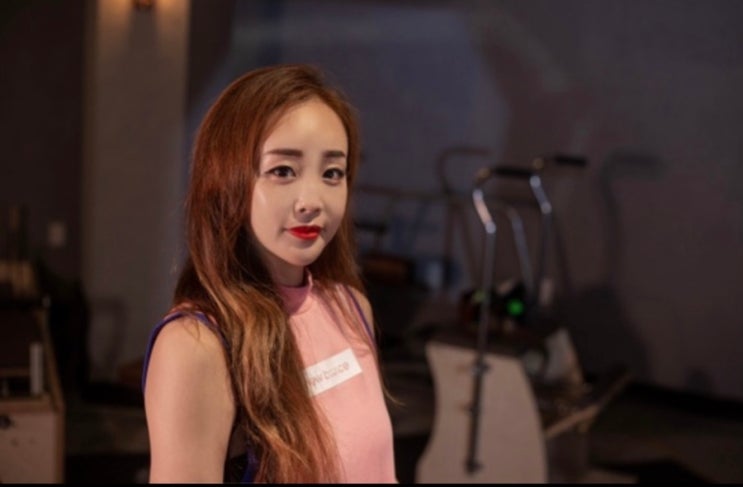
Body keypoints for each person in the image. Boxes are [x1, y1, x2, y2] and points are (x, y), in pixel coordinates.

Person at [141, 64, 397, 483]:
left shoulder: (351, 307)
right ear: (226, 180)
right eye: (283, 171)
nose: (312, 200)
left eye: (332, 173)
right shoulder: (196, 347)